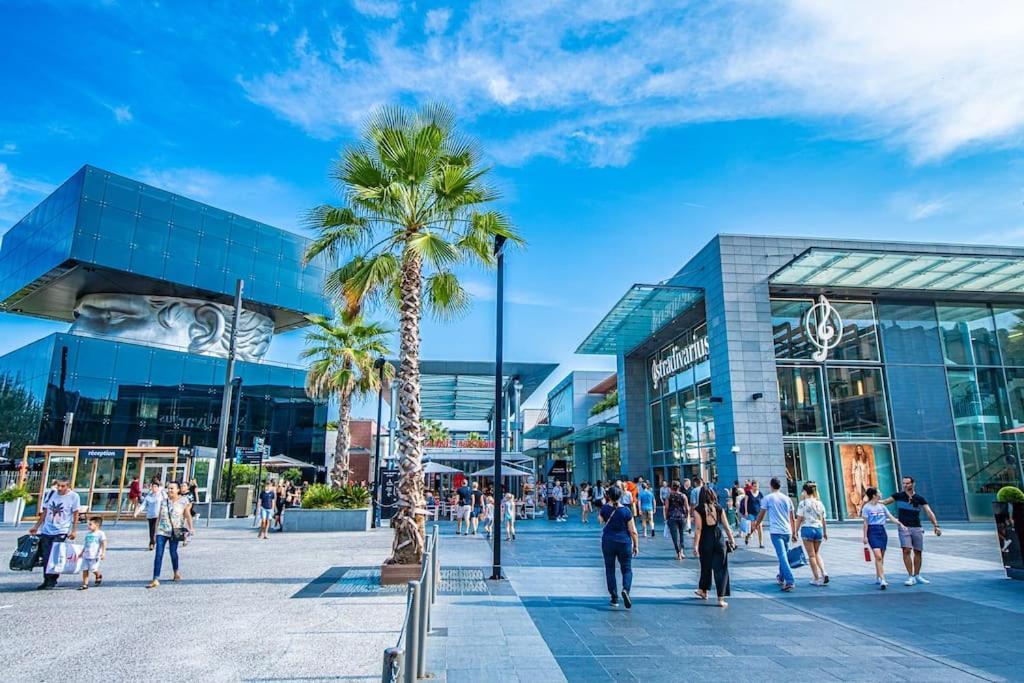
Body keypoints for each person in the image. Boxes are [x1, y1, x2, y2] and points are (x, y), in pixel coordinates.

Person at [880, 476, 941, 586]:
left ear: (913, 484)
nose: (905, 485)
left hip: (917, 527)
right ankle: (910, 576)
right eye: (903, 483)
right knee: (906, 550)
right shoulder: (898, 496)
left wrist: (936, 525)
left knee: (918, 551)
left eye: (907, 483)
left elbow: (929, 512)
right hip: (904, 527)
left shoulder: (920, 498)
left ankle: (917, 575)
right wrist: (872, 500)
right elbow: (884, 502)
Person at [28, 477, 80, 590]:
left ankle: (53, 579)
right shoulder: (51, 493)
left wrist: (74, 530)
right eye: (58, 486)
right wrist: (36, 526)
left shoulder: (74, 497)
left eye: (63, 486)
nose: (60, 488)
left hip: (61, 530)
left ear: (68, 486)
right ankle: (46, 579)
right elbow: (45, 511)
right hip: (47, 529)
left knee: (55, 556)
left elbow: (76, 514)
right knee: (46, 556)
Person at [693, 486, 735, 608]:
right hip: (718, 538)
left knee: (705, 566)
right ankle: (720, 598)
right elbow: (726, 526)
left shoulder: (698, 509)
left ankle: (703, 590)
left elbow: (699, 529)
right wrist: (732, 540)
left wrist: (695, 545)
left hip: (706, 539)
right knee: (721, 568)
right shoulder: (718, 508)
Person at [753, 477, 797, 592]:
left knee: (782, 555)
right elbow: (792, 518)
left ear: (771, 485)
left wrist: (756, 524)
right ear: (780, 486)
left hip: (776, 532)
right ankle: (781, 577)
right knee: (784, 555)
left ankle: (790, 580)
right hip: (787, 531)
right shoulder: (787, 499)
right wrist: (795, 532)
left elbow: (762, 514)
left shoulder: (768, 498)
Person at [149, 482, 195, 589]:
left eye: (172, 488)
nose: (169, 490)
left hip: (176, 530)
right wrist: (155, 532)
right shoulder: (164, 501)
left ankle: (176, 572)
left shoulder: (184, 501)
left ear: (178, 490)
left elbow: (187, 515)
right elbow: (159, 516)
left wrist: (191, 528)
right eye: (168, 488)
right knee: (158, 554)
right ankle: (155, 578)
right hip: (162, 530)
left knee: (173, 552)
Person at [599, 486, 639, 608]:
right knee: (627, 568)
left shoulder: (605, 509)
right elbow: (633, 531)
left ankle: (614, 597)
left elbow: (600, 521)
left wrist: (605, 507)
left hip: (608, 542)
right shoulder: (626, 511)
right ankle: (626, 590)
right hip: (624, 542)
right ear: (620, 496)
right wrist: (636, 545)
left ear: (608, 496)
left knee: (610, 569)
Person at [861, 486, 906, 590]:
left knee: (881, 556)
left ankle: (878, 576)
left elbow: (890, 517)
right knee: (878, 556)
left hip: (882, 531)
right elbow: (865, 523)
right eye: (879, 492)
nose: (880, 493)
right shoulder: (867, 507)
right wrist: (864, 536)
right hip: (872, 531)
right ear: (874, 495)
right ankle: (883, 579)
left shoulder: (882, 506)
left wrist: (900, 523)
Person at [794, 482, 829, 586]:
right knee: (817, 553)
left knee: (811, 555)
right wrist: (825, 532)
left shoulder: (803, 503)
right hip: (818, 529)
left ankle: (816, 578)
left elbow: (799, 519)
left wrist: (795, 531)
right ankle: (824, 572)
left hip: (807, 529)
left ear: (805, 492)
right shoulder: (819, 503)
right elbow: (823, 519)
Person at [134, 479, 165, 550]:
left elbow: (165, 503)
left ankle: (152, 543)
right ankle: (153, 541)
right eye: (152, 487)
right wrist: (137, 512)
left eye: (155, 487)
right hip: (150, 515)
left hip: (158, 515)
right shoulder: (149, 495)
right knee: (151, 530)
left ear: (158, 487)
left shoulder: (161, 495)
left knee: (155, 529)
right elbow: (143, 505)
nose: (154, 488)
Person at [79, 516, 107, 590]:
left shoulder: (100, 533)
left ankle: (98, 575)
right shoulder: (87, 534)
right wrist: (81, 552)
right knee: (85, 569)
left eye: (90, 524)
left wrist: (103, 553)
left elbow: (104, 542)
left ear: (97, 525)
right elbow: (85, 544)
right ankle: (85, 584)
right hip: (86, 555)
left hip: (94, 555)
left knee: (93, 569)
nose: (88, 526)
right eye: (88, 524)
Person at [665, 481, 690, 560]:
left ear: (672, 487)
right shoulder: (683, 496)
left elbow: (666, 508)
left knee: (674, 536)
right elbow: (687, 508)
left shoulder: (669, 496)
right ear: (679, 487)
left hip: (672, 517)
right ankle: (682, 551)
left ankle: (678, 552)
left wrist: (666, 517)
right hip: (681, 517)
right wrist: (686, 515)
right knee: (681, 534)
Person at [743, 481, 764, 548]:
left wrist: (762, 512)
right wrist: (746, 511)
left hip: (758, 513)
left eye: (757, 486)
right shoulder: (748, 493)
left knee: (760, 527)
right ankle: (747, 536)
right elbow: (745, 503)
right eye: (754, 486)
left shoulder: (760, 494)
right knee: (753, 527)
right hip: (751, 513)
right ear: (752, 486)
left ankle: (761, 543)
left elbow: (762, 503)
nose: (756, 487)